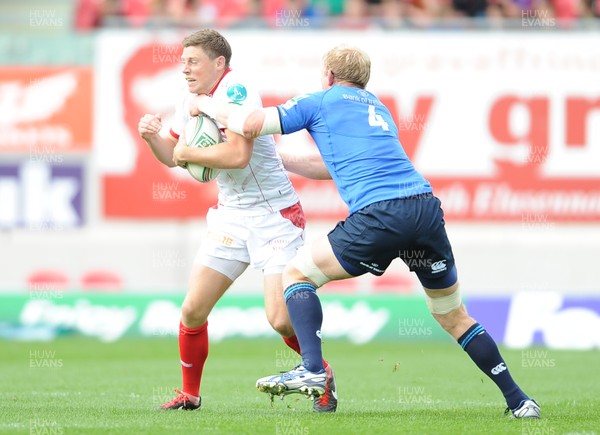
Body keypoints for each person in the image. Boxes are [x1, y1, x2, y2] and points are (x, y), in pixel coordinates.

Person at [192, 45, 541, 419]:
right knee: (454, 316)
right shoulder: (376, 107)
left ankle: (312, 370)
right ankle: (520, 400)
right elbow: (328, 164)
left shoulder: (321, 100)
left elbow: (249, 123)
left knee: (296, 274)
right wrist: (276, 160)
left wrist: (207, 105)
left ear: (327, 75)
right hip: (424, 208)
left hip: (381, 214)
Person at [137, 29, 337, 413]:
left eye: (192, 61)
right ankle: (190, 394)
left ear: (219, 64)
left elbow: (237, 156)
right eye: (182, 62)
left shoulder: (238, 90)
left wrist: (185, 150)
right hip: (231, 216)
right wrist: (153, 138)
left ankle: (319, 370)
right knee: (193, 310)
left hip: (275, 216)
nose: (185, 69)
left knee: (280, 319)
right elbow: (175, 155)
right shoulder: (190, 97)